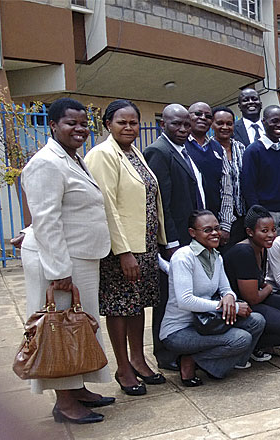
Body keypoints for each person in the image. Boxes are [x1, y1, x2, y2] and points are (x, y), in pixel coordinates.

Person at [20, 97, 114, 423]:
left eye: (84, 123)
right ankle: (65, 402)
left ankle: (78, 387)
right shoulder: (47, 162)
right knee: (60, 327)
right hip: (60, 260)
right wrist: (59, 271)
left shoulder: (72, 159)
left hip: (81, 256)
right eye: (71, 123)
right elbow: (46, 220)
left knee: (80, 325)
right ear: (53, 125)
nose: (79, 129)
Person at [85, 99, 167, 396]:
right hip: (122, 249)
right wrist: (123, 252)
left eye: (133, 122)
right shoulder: (102, 155)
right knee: (120, 307)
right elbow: (106, 205)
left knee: (137, 305)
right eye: (122, 122)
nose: (130, 127)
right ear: (108, 124)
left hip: (144, 244)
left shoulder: (133, 153)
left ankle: (138, 358)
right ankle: (122, 367)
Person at [160, 211, 265, 385]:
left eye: (217, 228)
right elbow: (185, 300)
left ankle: (209, 363)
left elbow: (225, 288)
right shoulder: (183, 257)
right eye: (207, 230)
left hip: (208, 321)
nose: (215, 233)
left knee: (256, 320)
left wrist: (230, 297)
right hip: (180, 330)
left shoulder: (216, 256)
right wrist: (228, 307)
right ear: (193, 233)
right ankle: (191, 360)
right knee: (241, 338)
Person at [145, 103, 203, 370]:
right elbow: (162, 204)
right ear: (162, 124)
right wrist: (170, 243)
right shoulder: (159, 151)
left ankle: (182, 347)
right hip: (175, 240)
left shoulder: (184, 149)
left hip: (190, 237)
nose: (182, 129)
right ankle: (165, 354)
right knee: (168, 298)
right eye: (175, 124)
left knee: (183, 295)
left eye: (185, 124)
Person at [223, 206, 280, 361]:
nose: (271, 235)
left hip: (257, 296)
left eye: (273, 230)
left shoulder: (262, 247)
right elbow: (252, 299)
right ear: (250, 232)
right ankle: (250, 347)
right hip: (242, 304)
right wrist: (268, 288)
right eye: (265, 231)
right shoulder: (244, 252)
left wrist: (266, 288)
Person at [241, 105, 280, 225]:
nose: (278, 125)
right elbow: (248, 186)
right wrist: (258, 213)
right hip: (264, 213)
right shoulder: (253, 150)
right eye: (274, 121)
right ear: (264, 122)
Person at [213, 106, 248, 251]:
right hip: (219, 218)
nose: (225, 127)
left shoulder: (241, 148)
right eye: (220, 123)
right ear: (212, 124)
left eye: (229, 123)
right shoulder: (209, 149)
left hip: (242, 216)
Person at [185, 102, 224, 218]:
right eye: (198, 114)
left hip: (213, 216)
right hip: (188, 217)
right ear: (188, 117)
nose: (203, 118)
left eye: (208, 116)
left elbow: (225, 186)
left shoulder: (217, 148)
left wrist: (225, 222)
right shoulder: (180, 146)